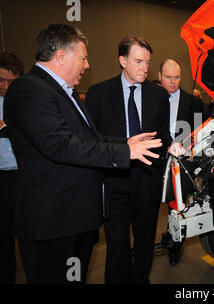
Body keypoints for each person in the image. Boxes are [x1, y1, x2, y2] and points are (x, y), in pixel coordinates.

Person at [3, 24, 162, 284]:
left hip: (75, 220)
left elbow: (90, 138)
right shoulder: (28, 90)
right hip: (52, 223)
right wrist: (125, 151)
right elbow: (61, 146)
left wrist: (127, 141)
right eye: (83, 57)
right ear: (61, 56)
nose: (87, 65)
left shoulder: (66, 93)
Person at [85, 36, 172, 284]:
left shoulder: (158, 95)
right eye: (138, 61)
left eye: (147, 62)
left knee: (145, 243)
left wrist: (165, 144)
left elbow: (164, 133)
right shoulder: (99, 93)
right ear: (122, 61)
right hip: (114, 181)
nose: (145, 68)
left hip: (147, 181)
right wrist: (126, 145)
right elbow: (92, 140)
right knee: (117, 246)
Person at [158, 59, 204, 265]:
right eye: (168, 77)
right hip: (155, 158)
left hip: (181, 160)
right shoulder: (151, 98)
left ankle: (175, 246)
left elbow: (198, 131)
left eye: (177, 77)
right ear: (159, 76)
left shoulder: (192, 101)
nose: (173, 81)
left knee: (177, 206)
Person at [0, 52, 23, 284]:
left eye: (11, 81)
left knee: (28, 233)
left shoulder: (25, 100)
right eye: (0, 81)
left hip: (24, 176)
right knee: (3, 236)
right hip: (2, 179)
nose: (6, 86)